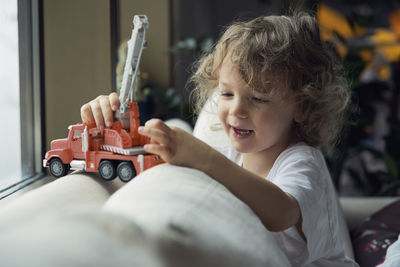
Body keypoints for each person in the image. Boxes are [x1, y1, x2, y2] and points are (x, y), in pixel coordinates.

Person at [81, 12, 358, 266]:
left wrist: (203, 158)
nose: (237, 109)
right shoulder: (229, 153)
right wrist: (112, 123)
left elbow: (281, 212)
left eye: (258, 98)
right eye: (226, 94)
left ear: (302, 106)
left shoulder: (301, 160)